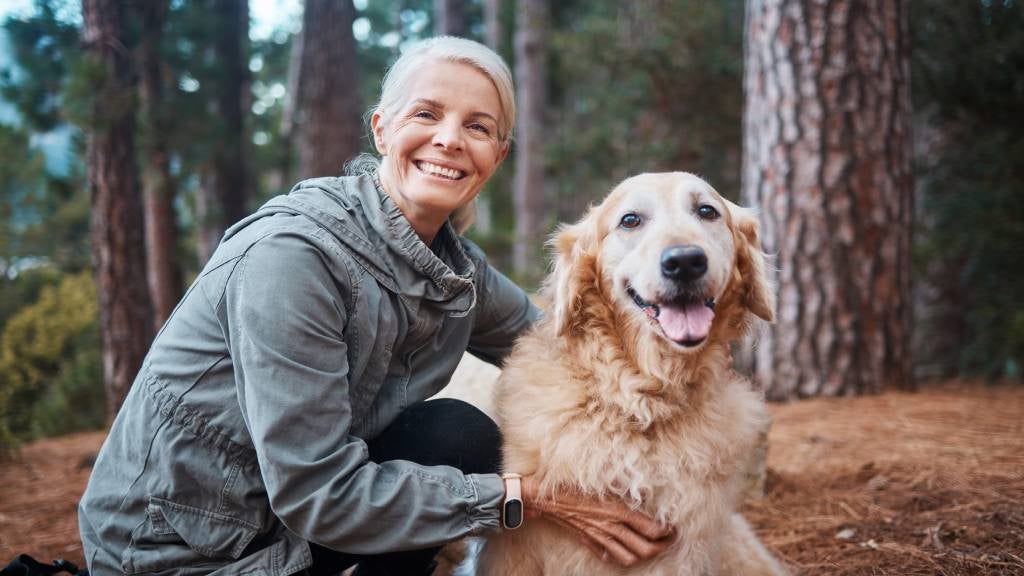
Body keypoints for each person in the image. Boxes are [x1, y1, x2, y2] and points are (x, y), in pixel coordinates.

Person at [78, 36, 674, 576]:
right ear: (382, 129)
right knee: (466, 449)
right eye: (427, 114)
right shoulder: (292, 260)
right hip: (180, 551)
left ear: (497, 154)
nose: (449, 140)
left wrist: (671, 326)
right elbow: (318, 494)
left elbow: (562, 340)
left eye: (478, 126)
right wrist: (530, 496)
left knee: (452, 435)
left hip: (283, 520)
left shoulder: (456, 270)